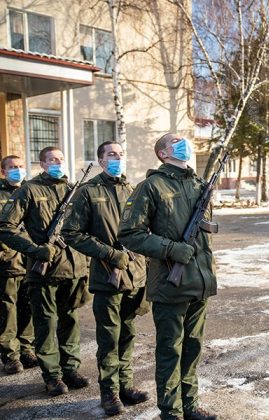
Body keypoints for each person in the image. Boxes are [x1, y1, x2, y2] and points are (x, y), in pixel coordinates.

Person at [118, 134, 217, 420]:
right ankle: (171, 411)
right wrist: (171, 249)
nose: (183, 141)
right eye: (175, 140)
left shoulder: (199, 184)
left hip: (199, 282)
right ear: (162, 153)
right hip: (170, 284)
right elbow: (129, 234)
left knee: (193, 347)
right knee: (170, 350)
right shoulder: (151, 187)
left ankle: (190, 404)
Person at [61, 141, 150, 416]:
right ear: (101, 160)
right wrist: (110, 255)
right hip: (107, 277)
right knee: (109, 338)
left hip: (135, 275)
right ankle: (109, 393)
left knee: (128, 334)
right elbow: (71, 232)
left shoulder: (133, 189)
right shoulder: (89, 191)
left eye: (121, 154)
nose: (117, 159)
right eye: (112, 155)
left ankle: (126, 386)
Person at [0, 147, 89, 396]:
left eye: (61, 159)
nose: (57, 163)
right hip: (45, 271)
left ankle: (70, 368)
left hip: (73, 268)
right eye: (52, 160)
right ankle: (52, 376)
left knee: (70, 321)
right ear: (42, 163)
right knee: (46, 324)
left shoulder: (75, 190)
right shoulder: (30, 190)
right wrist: (35, 250)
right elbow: (6, 227)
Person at [0, 155, 37, 374]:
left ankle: (26, 348)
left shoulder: (30, 191)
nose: (18, 170)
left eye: (21, 166)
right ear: (3, 171)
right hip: (7, 261)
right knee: (7, 308)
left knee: (28, 306)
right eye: (12, 167)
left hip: (30, 260)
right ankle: (9, 354)